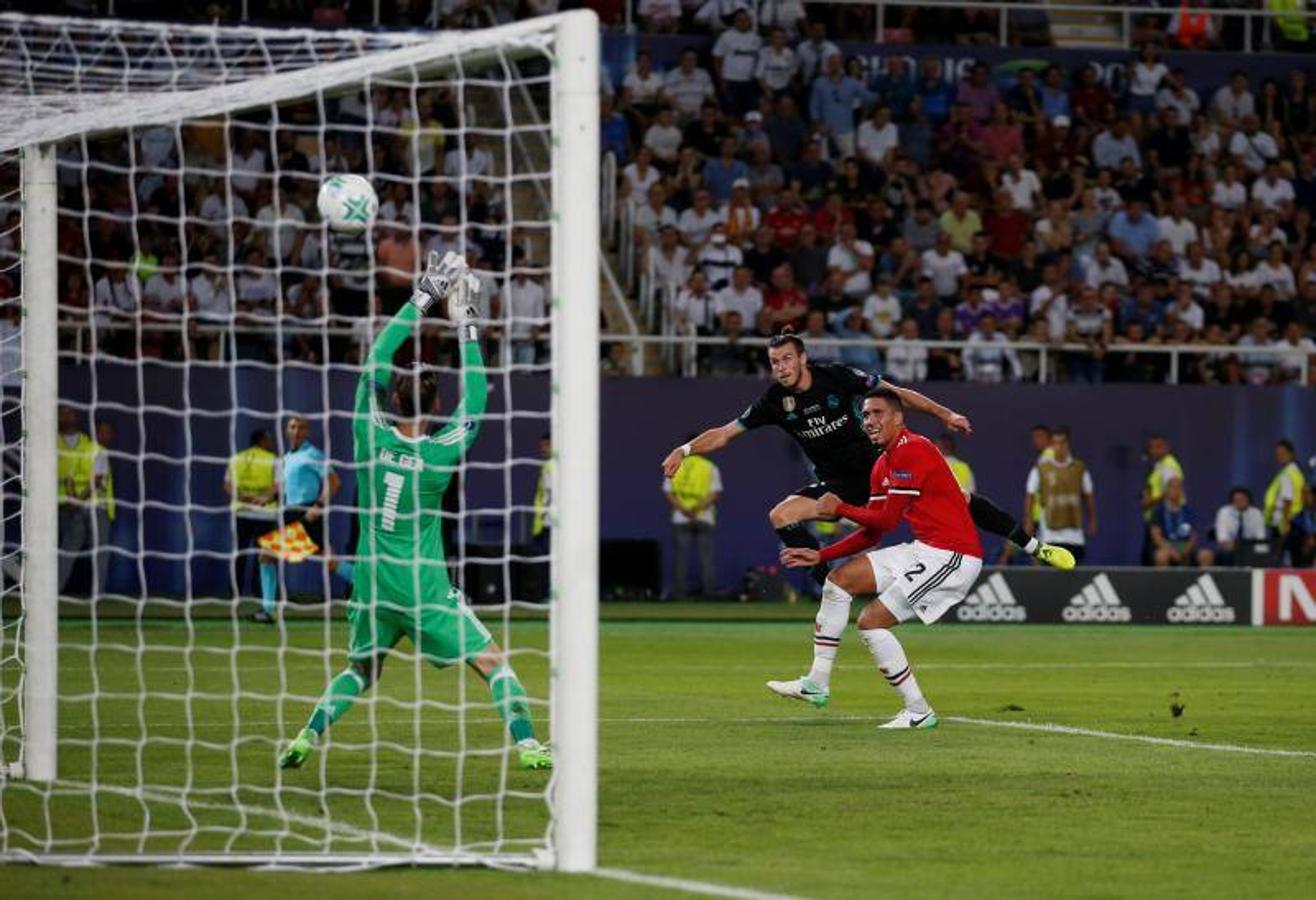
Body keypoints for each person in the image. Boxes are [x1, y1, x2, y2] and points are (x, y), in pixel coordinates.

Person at [279, 251, 551, 772]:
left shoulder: (368, 431)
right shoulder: (442, 451)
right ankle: (529, 746)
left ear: (393, 397)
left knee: (361, 668)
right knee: (493, 665)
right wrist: (465, 320)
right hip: (424, 587)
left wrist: (421, 297)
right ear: (433, 401)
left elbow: (375, 360)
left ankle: (307, 737)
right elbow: (476, 395)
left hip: (373, 583)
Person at [659, 331, 1074, 591]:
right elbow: (726, 433)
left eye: (786, 359)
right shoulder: (774, 401)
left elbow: (897, 394)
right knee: (781, 515)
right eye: (774, 363)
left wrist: (945, 414)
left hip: (884, 471)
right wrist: (686, 449)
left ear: (802, 358)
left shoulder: (837, 377)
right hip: (837, 484)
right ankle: (829, 588)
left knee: (964, 499)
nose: (780, 368)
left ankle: (1036, 547)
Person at [766, 387, 983, 727]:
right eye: (865, 414)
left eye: (878, 413)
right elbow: (873, 533)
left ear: (899, 418)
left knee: (871, 621)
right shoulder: (882, 463)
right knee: (838, 582)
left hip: (953, 555)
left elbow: (887, 520)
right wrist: (821, 554)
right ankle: (816, 683)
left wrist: (839, 507)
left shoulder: (914, 451)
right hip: (924, 549)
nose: (870, 420)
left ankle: (918, 710)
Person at [252, 414, 348, 624]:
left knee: (266, 555)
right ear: (287, 431)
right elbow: (282, 487)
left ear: (307, 432)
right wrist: (266, 497)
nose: (296, 431)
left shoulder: (314, 454)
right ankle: (375, 591)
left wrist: (319, 506)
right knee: (330, 562)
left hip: (306, 514)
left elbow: (334, 482)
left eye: (301, 427)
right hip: (290, 513)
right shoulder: (287, 457)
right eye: (293, 427)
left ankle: (269, 610)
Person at [56, 405, 114, 596]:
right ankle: (97, 593)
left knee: (70, 550)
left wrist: (75, 499)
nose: (107, 435)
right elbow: (93, 481)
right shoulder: (95, 450)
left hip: (81, 507)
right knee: (96, 553)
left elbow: (76, 479)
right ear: (96, 431)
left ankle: (57, 589)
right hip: (91, 508)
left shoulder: (85, 449)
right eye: (104, 431)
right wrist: (76, 500)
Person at [1023, 426, 1096, 564]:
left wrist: (1092, 518)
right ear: (1052, 444)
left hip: (1074, 534)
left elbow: (1088, 494)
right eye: (1056, 443)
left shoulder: (1079, 468)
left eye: (1063, 443)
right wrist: (1028, 520)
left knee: (1074, 574)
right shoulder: (1042, 468)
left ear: (1068, 444)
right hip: (1049, 532)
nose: (1059, 447)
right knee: (1046, 573)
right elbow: (1030, 493)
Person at [663, 433, 722, 597]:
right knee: (706, 557)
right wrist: (697, 509)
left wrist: (684, 509)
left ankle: (679, 594)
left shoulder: (675, 463)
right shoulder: (709, 467)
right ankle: (709, 593)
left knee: (681, 558)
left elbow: (668, 492)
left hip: (681, 517)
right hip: (703, 516)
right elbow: (714, 493)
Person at [223, 428, 278, 599]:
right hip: (265, 514)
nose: (271, 443)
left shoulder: (236, 459)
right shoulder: (273, 460)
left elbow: (227, 485)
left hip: (241, 513)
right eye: (269, 440)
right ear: (261, 440)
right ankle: (259, 592)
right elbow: (278, 487)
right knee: (263, 556)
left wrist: (243, 497)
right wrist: (261, 499)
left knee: (239, 553)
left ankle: (234, 592)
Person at [1263, 439, 1307, 560]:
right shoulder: (1297, 472)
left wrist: (1285, 523)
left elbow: (1287, 500)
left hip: (1285, 521)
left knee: (1277, 558)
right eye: (1278, 454)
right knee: (1294, 555)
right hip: (1293, 520)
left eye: (1283, 453)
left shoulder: (1287, 474)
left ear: (1292, 454)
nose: (1280, 457)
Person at [1206, 487, 1266, 566]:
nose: (1239, 502)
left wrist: (1247, 547)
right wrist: (1240, 546)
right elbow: (1222, 539)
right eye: (1236, 500)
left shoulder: (1256, 513)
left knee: (1263, 552)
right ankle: (1228, 577)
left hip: (1250, 549)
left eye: (1242, 499)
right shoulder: (1224, 512)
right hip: (1229, 549)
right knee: (1227, 553)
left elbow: (1261, 538)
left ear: (1248, 500)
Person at [1148, 478, 1199, 567]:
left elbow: (1193, 536)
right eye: (1173, 487)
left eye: (1178, 487)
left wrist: (1186, 550)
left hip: (1183, 546)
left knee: (1206, 555)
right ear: (1167, 490)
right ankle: (1165, 581)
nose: (1175, 490)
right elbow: (1157, 538)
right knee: (1161, 556)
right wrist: (1171, 550)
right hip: (1166, 545)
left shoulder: (1188, 511)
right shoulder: (1158, 512)